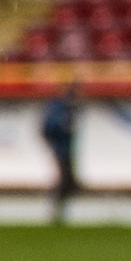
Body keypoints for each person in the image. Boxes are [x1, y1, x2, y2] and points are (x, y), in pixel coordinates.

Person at [42, 83, 80, 222]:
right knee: (63, 180)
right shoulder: (58, 107)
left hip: (67, 149)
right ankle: (54, 210)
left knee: (69, 182)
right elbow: (48, 128)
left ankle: (59, 210)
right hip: (60, 149)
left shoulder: (69, 108)